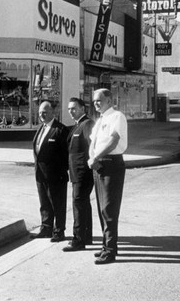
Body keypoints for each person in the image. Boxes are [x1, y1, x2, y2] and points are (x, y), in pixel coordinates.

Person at [88, 88, 128, 265]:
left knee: (109, 209)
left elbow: (114, 141)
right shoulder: (100, 120)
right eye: (95, 101)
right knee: (101, 209)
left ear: (109, 101)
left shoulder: (117, 116)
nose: (96, 103)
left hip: (111, 164)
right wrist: (92, 158)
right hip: (98, 164)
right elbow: (93, 143)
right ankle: (106, 246)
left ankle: (110, 251)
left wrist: (96, 157)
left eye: (100, 100)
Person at [31, 100, 69, 242]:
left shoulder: (60, 130)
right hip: (40, 174)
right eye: (40, 112)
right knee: (44, 203)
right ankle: (46, 228)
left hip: (56, 175)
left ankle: (59, 231)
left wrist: (61, 172)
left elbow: (66, 154)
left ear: (53, 112)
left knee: (57, 204)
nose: (42, 115)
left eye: (45, 112)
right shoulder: (41, 128)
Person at [62, 97, 95, 252]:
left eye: (74, 108)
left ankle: (78, 240)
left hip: (83, 173)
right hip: (77, 173)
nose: (71, 111)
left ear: (83, 109)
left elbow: (92, 145)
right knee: (83, 204)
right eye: (69, 109)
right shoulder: (77, 126)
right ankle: (87, 236)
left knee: (78, 205)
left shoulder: (87, 124)